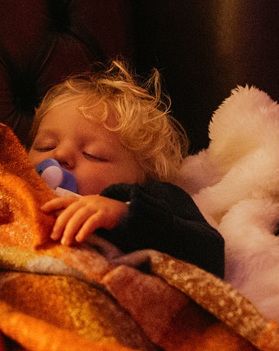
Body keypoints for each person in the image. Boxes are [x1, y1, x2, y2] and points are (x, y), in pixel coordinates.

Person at [26, 61, 224, 276]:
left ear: (142, 177)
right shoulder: (13, 182)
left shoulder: (153, 199)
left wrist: (125, 215)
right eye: (45, 146)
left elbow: (210, 253)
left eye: (93, 154)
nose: (60, 155)